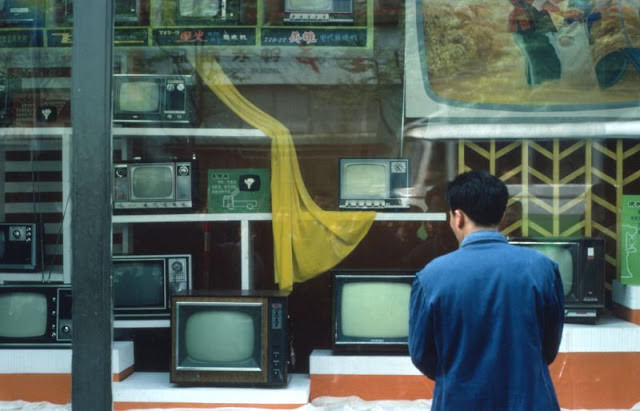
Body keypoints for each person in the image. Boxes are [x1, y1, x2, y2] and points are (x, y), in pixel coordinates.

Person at [408, 170, 565, 411]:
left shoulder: (431, 276)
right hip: (530, 401)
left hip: (458, 402)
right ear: (502, 216)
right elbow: (548, 347)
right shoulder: (542, 268)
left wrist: (458, 372)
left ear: (457, 217)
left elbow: (422, 355)